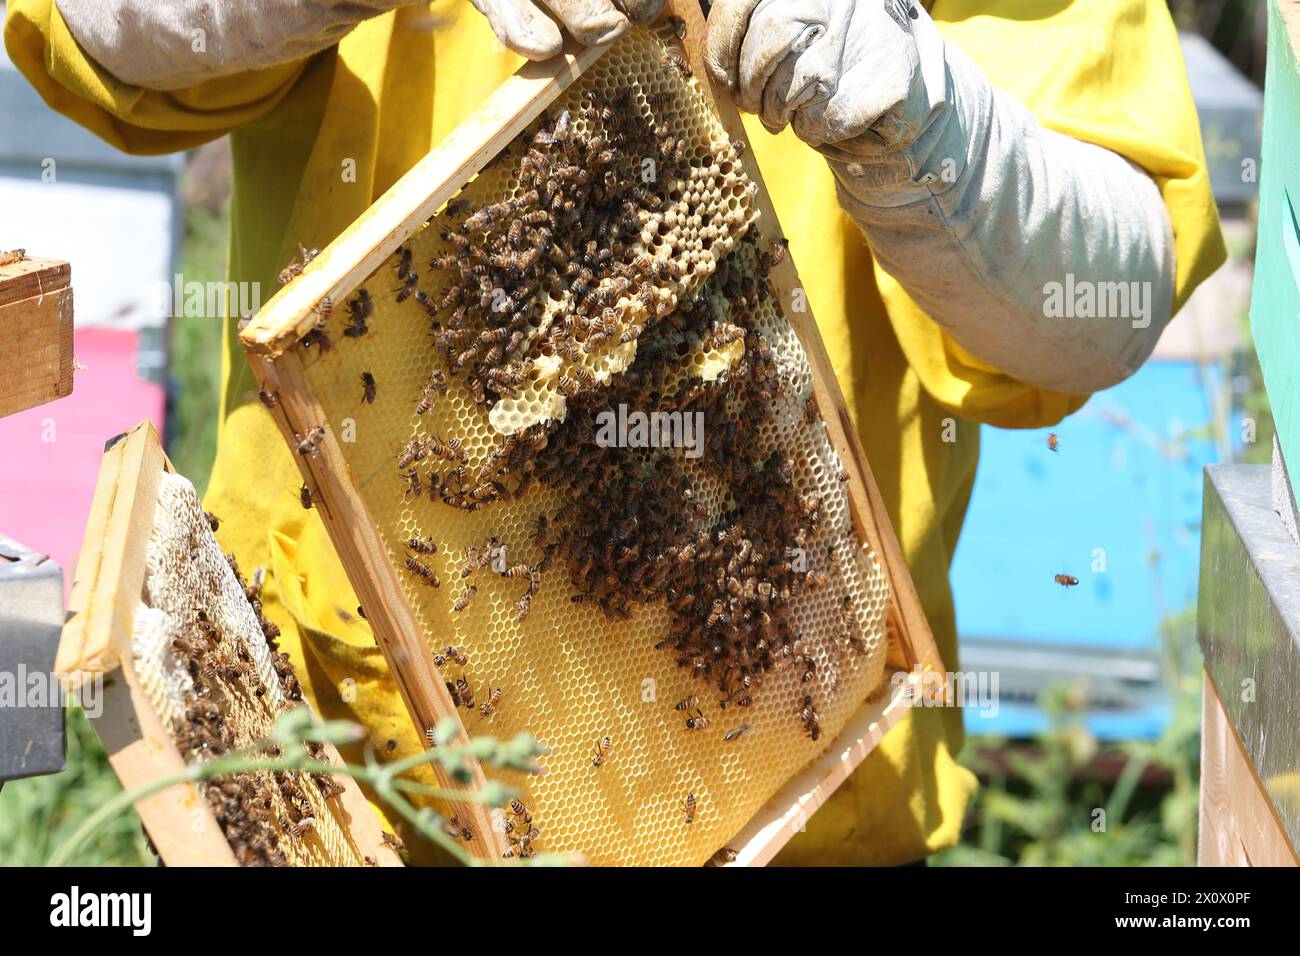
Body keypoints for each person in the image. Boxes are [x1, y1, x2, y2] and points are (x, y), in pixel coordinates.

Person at [5, 0, 1224, 865]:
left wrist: (911, 108)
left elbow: (1104, 298)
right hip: (334, 777)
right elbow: (86, 35)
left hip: (783, 777)